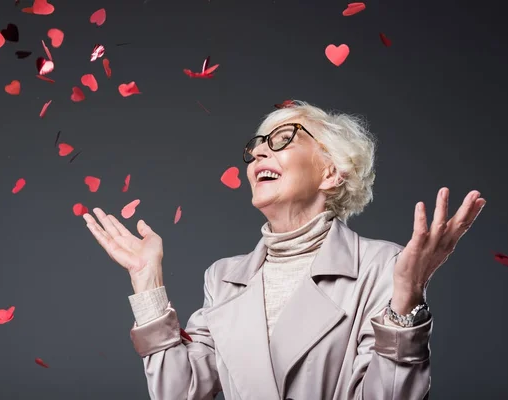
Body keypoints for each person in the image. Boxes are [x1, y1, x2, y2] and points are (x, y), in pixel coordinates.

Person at [83, 100, 486, 400]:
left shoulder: (383, 267)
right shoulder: (223, 278)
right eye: (256, 146)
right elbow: (180, 392)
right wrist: (147, 280)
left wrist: (406, 302)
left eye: (282, 140)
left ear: (331, 172)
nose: (259, 152)